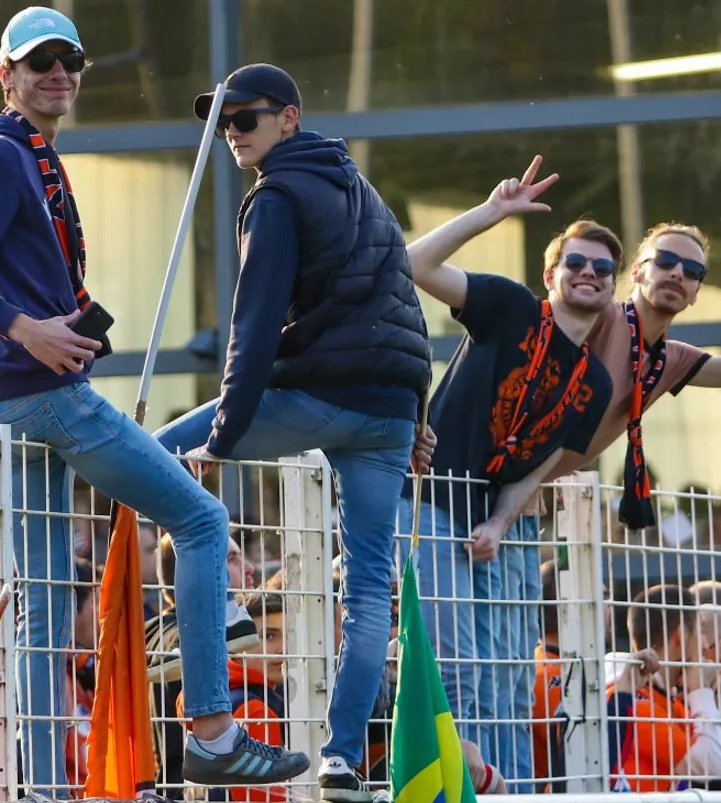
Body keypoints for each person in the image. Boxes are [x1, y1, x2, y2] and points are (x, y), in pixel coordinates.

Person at [0, 7, 299, 795]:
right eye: (39, 62)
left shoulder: (28, 154)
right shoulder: (1, 153)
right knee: (201, 518)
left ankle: (45, 789)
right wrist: (30, 331)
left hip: (22, 399)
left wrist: (53, 327)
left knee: (48, 612)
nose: (58, 74)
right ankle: (214, 729)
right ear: (6, 75)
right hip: (42, 397)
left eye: (71, 61)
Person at [153, 62, 432, 801]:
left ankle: (218, 619)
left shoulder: (273, 197)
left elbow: (251, 324)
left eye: (246, 119)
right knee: (371, 590)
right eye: (223, 124)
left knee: (150, 458)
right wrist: (420, 417)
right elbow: (405, 306)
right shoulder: (362, 190)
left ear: (290, 119)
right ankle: (341, 759)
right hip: (390, 410)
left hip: (323, 395)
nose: (234, 134)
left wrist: (223, 432)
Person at [402, 155, 614, 778]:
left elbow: (540, 464)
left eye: (602, 268)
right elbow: (413, 265)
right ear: (551, 274)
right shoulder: (509, 305)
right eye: (575, 262)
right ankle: (461, 788)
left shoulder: (594, 383)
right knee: (461, 669)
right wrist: (490, 214)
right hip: (429, 497)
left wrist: (500, 521)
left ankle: (511, 790)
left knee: (507, 680)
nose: (588, 274)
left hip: (485, 522)